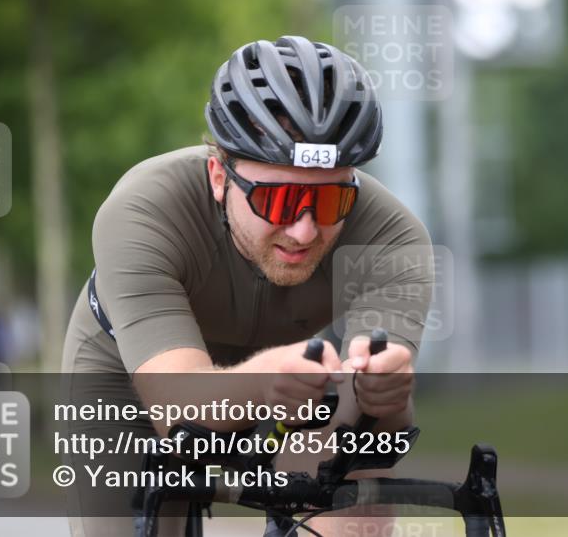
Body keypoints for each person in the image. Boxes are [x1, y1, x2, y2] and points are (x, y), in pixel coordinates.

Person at [61, 35, 434, 536]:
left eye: (329, 205)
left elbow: (378, 436)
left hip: (294, 385)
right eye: (279, 201)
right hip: (132, 377)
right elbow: (177, 409)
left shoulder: (393, 237)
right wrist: (263, 381)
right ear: (219, 175)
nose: (304, 231)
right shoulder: (142, 211)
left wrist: (386, 396)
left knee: (356, 495)